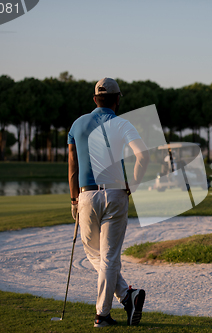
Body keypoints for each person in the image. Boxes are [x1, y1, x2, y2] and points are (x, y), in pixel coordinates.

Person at [68, 78, 150, 327]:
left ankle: (109, 310)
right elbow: (143, 155)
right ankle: (126, 297)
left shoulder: (77, 124)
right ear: (117, 100)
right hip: (115, 193)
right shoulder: (122, 123)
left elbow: (73, 165)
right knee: (108, 257)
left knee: (95, 254)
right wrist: (133, 184)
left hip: (86, 194)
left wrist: (74, 199)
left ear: (95, 99)